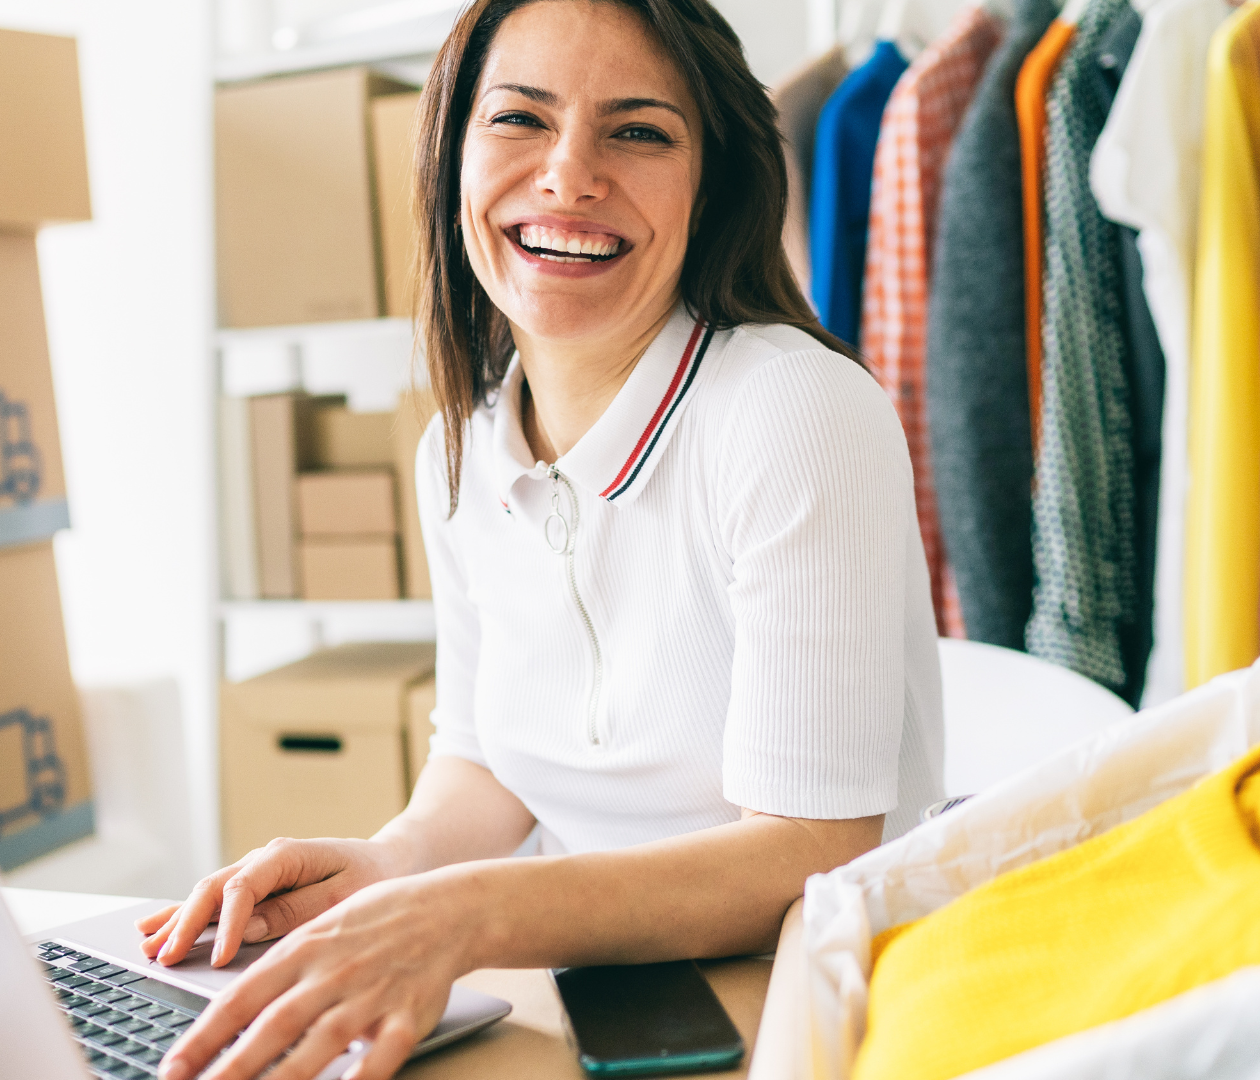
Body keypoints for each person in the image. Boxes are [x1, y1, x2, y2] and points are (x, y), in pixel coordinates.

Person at [144, 1, 943, 1077]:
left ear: (712, 186)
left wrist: (457, 916)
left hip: (802, 1007)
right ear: (450, 157)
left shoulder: (794, 410)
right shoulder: (458, 450)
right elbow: (487, 758)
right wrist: (387, 866)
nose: (569, 176)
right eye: (520, 119)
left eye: (639, 131)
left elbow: (809, 852)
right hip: (590, 997)